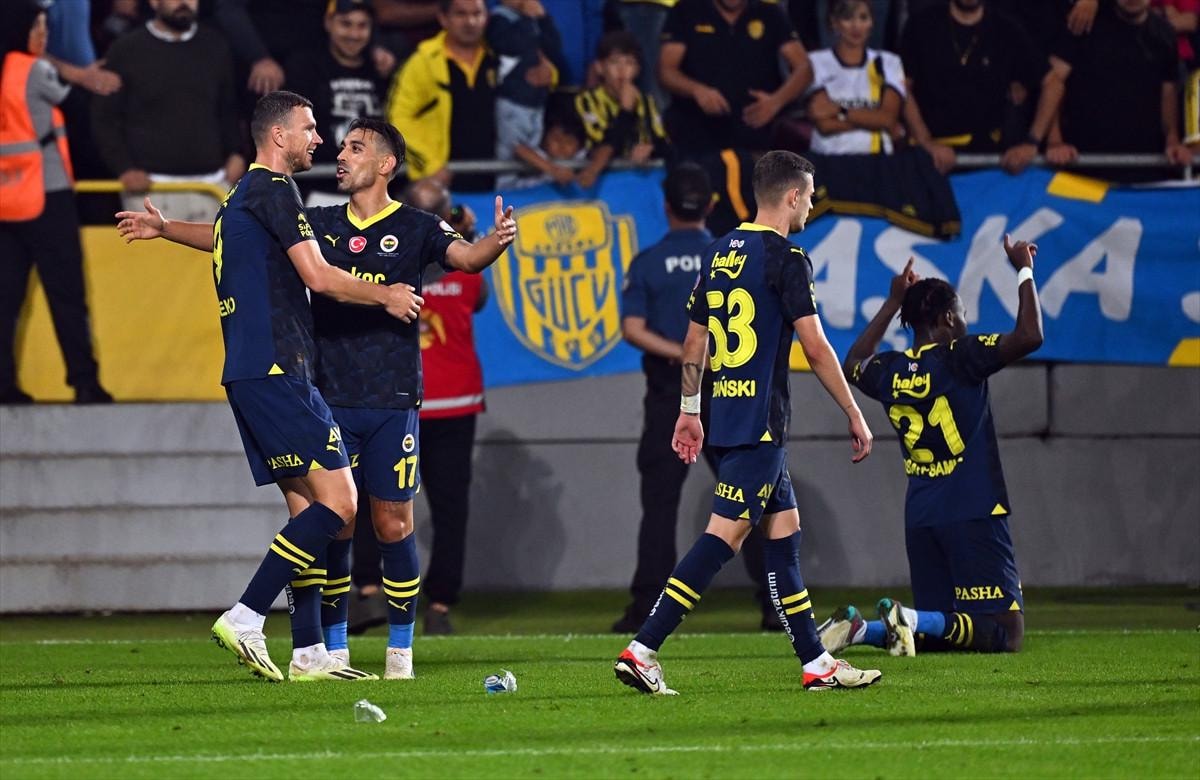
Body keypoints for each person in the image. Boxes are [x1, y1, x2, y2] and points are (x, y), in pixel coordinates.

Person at [118, 114, 518, 679]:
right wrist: (168, 230)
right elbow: (246, 240)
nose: (339, 152)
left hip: (392, 394)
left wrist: (496, 241)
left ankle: (387, 652)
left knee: (388, 523)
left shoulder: (417, 225)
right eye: (337, 142)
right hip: (324, 391)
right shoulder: (317, 218)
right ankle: (316, 643)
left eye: (355, 147)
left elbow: (468, 259)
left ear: (386, 164)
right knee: (332, 517)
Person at [613, 150, 881, 695]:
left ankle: (817, 664)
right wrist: (855, 411)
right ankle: (642, 649)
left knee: (784, 536)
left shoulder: (718, 252)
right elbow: (815, 346)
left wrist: (690, 411)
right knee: (723, 538)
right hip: (761, 422)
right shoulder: (787, 257)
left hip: (729, 414)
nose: (810, 206)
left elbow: (695, 340)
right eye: (809, 196)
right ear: (791, 196)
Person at [821, 237, 1043, 656]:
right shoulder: (960, 356)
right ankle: (906, 617)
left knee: (937, 629)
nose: (965, 323)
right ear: (947, 318)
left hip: (922, 514)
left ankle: (860, 630)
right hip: (974, 508)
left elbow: (852, 364)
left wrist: (893, 302)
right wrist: (1024, 270)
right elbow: (1030, 335)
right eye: (962, 315)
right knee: (1006, 633)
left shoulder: (890, 369)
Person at [613, 162, 779, 635]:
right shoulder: (729, 257)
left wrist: (684, 356)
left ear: (666, 206)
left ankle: (646, 608)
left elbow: (633, 329)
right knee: (749, 498)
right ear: (711, 205)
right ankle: (776, 603)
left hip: (671, 394)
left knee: (659, 503)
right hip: (730, 393)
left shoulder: (648, 262)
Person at [347, 176, 491, 637]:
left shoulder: (382, 260)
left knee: (372, 495)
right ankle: (441, 605)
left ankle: (368, 590)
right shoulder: (464, 267)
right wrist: (464, 233)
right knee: (450, 507)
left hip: (394, 396)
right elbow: (479, 295)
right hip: (453, 403)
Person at [0, 0, 111, 405]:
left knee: (5, 300)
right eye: (37, 28)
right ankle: (84, 381)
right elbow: (78, 107)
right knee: (67, 295)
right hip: (47, 197)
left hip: (6, 199)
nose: (43, 36)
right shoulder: (34, 70)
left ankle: (4, 384)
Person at [92, 0, 245, 222]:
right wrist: (124, 168)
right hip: (151, 191)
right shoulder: (126, 49)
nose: (184, 3)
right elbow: (104, 117)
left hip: (213, 187)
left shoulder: (216, 46)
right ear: (154, 2)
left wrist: (237, 153)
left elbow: (229, 109)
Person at [1003, 0, 1192, 177]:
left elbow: (1168, 94)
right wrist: (1055, 141)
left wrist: (1172, 139)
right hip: (1083, 166)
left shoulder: (1165, 34)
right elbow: (1054, 81)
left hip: (1144, 169)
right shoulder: (1084, 20)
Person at [901, 0, 1043, 174]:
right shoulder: (921, 24)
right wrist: (926, 141)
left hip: (987, 161)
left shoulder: (1006, 29)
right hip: (928, 159)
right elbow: (901, 85)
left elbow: (1052, 83)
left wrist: (1032, 142)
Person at [658, 0, 811, 158]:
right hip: (698, 131)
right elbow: (666, 71)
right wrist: (696, 90)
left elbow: (804, 67)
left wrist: (776, 102)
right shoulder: (687, 10)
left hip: (757, 132)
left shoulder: (769, 13)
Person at [385, 0, 498, 191]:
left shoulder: (498, 57)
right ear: (443, 18)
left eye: (477, 14)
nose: (470, 22)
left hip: (500, 180)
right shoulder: (422, 61)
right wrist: (430, 164)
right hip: (439, 182)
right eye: (461, 14)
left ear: (486, 18)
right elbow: (397, 119)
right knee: (425, 199)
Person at [284, 0, 388, 173]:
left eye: (362, 26)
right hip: (319, 177)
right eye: (346, 24)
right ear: (328, 22)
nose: (354, 34)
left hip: (374, 178)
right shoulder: (304, 68)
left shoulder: (381, 70)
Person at [805, 0, 906, 156]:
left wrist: (839, 110)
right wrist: (874, 121)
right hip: (829, 160)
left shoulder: (888, 62)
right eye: (847, 18)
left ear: (872, 22)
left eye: (863, 18)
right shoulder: (814, 62)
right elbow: (825, 125)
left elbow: (887, 119)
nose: (856, 26)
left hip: (877, 162)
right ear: (834, 22)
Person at [573, 30, 670, 188]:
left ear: (637, 70)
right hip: (602, 183)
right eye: (614, 62)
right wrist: (626, 111)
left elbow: (666, 146)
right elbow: (602, 147)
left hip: (641, 182)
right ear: (599, 67)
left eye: (629, 63)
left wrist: (651, 149)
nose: (622, 70)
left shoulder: (646, 102)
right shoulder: (585, 101)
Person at [487, 0, 567, 171]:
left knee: (532, 153)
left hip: (536, 101)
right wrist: (526, 18)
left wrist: (544, 19)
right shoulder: (499, 18)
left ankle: (529, 184)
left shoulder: (535, 18)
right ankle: (507, 185)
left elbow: (554, 47)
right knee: (512, 152)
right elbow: (511, 45)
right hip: (513, 100)